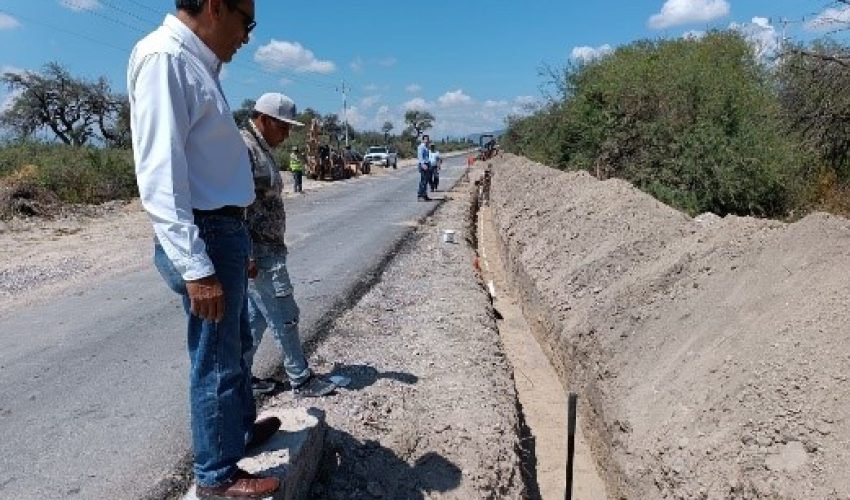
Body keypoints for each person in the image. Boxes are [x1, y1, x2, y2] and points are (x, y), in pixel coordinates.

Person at [127, 1, 281, 497]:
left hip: (224, 230)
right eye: (246, 22)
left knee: (237, 342)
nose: (247, 36)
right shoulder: (166, 59)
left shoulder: (195, 63)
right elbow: (161, 174)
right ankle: (217, 474)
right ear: (215, 6)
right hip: (207, 233)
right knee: (215, 357)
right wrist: (197, 268)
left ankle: (237, 431)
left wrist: (240, 242)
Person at [240, 93, 337, 399]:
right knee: (286, 314)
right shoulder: (244, 149)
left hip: (268, 249)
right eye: (282, 127)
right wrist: (247, 254)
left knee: (255, 320)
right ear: (264, 119)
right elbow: (235, 208)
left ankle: (241, 378)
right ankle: (301, 378)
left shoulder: (261, 148)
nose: (285, 135)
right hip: (259, 254)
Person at [417, 134, 431, 201]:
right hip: (423, 165)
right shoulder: (421, 147)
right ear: (423, 140)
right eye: (425, 139)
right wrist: (422, 164)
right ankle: (420, 195)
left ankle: (424, 195)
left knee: (426, 181)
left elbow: (427, 157)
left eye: (427, 139)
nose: (426, 140)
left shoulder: (426, 147)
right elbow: (420, 156)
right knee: (423, 181)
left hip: (427, 164)